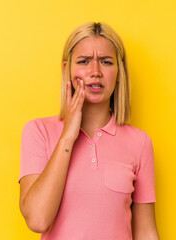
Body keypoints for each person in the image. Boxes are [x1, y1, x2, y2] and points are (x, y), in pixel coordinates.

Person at [18, 22, 160, 240]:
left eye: (106, 62)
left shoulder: (139, 142)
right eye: (84, 62)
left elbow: (146, 232)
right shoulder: (38, 132)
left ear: (120, 71)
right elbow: (37, 219)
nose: (95, 72)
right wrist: (68, 136)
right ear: (67, 70)